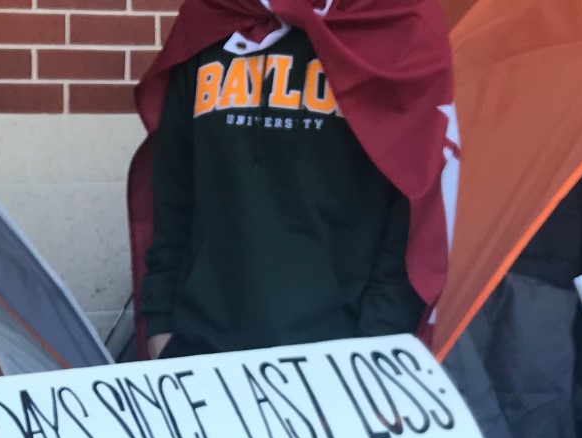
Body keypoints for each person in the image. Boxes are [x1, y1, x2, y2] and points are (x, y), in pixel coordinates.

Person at [130, 0, 454, 360]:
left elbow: (414, 207)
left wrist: (378, 345)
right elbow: (173, 194)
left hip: (342, 357)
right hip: (202, 350)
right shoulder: (214, 16)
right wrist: (160, 326)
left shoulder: (396, 24)